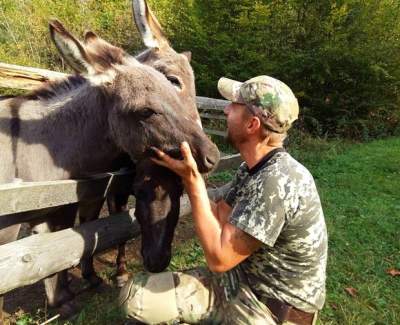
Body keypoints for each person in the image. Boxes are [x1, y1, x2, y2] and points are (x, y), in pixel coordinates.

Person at [119, 75, 328, 325]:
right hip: (243, 282)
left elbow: (219, 259)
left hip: (270, 310)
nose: (227, 109)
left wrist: (193, 182)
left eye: (234, 106)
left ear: (251, 124)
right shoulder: (253, 169)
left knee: (143, 306)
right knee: (135, 295)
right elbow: (220, 213)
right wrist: (188, 176)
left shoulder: (278, 182)